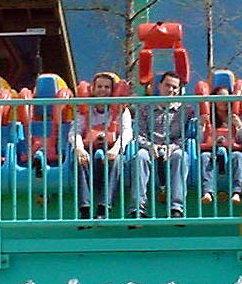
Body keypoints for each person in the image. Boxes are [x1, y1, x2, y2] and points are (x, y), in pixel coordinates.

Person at [70, 72, 133, 220]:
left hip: (111, 151)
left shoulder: (121, 110)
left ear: (112, 90)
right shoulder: (84, 110)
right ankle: (85, 209)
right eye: (99, 86)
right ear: (93, 88)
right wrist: (79, 148)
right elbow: (75, 131)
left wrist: (116, 149)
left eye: (107, 87)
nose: (103, 90)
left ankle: (104, 207)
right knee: (78, 161)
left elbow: (127, 132)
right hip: (89, 151)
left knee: (116, 161)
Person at [131, 71, 192, 218]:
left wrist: (171, 147)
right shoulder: (145, 108)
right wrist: (150, 146)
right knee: (140, 157)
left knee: (181, 157)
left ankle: (176, 208)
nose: (171, 90)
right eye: (167, 85)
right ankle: (138, 209)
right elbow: (138, 133)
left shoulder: (185, 110)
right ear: (159, 86)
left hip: (173, 148)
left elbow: (187, 135)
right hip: (149, 147)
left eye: (174, 87)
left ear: (179, 91)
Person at [199, 86, 242, 205]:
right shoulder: (207, 118)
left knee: (238, 157)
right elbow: (200, 139)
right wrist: (201, 125)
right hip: (211, 150)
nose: (224, 100)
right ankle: (208, 192)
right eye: (220, 97)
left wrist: (239, 126)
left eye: (227, 97)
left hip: (232, 150)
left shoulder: (236, 117)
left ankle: (236, 192)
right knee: (205, 157)